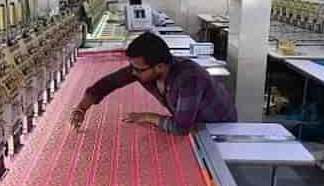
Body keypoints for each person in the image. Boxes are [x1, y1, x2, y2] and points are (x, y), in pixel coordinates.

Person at [69, 32, 237, 135]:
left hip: (219, 129)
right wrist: (81, 108)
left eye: (138, 69)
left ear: (160, 67)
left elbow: (180, 128)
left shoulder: (188, 78)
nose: (133, 72)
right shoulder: (145, 70)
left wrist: (147, 117)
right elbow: (108, 84)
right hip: (194, 123)